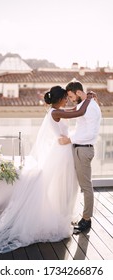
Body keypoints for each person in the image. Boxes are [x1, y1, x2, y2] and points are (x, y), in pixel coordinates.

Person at [0, 86, 92, 254]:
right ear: (58, 99)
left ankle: (62, 214)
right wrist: (89, 99)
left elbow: (73, 110)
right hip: (61, 152)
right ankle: (56, 218)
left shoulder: (56, 110)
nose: (67, 100)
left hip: (62, 151)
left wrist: (83, 102)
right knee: (59, 185)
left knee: (63, 186)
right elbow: (77, 113)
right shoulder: (55, 113)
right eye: (65, 97)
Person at [59, 81, 101, 234]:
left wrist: (69, 139)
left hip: (84, 150)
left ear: (77, 92)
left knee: (86, 186)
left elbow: (89, 134)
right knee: (83, 184)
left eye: (70, 96)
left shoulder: (90, 107)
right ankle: (84, 217)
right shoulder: (85, 104)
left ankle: (87, 220)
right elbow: (72, 113)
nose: (70, 99)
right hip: (79, 149)